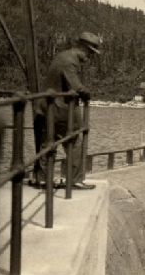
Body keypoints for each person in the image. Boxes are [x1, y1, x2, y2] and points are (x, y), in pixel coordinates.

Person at [31, 31, 103, 190]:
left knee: (48, 143)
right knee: (74, 142)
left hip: (47, 107)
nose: (90, 57)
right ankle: (74, 180)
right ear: (84, 48)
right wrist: (87, 93)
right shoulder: (70, 61)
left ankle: (42, 179)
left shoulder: (63, 56)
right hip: (60, 109)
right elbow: (76, 86)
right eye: (90, 53)